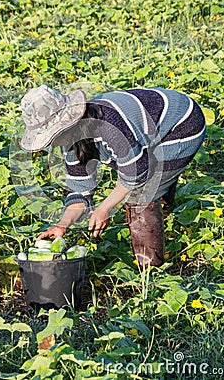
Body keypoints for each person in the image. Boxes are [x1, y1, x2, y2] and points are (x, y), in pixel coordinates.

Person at [20, 84, 206, 269]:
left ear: (68, 124)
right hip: (152, 133)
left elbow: (136, 174)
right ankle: (165, 210)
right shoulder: (70, 141)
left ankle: (151, 272)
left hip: (182, 123)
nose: (52, 143)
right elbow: (80, 191)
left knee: (141, 197)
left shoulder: (108, 126)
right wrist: (63, 225)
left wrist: (104, 208)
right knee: (151, 178)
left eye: (52, 136)